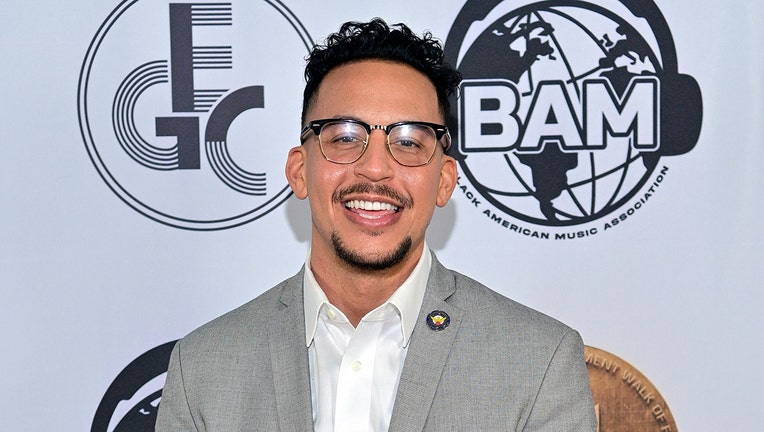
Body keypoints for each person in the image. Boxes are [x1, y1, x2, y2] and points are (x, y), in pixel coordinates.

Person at [155, 18, 596, 432]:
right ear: (298, 170)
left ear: (444, 181)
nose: (375, 168)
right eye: (346, 137)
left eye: (408, 141)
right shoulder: (202, 371)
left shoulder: (539, 363)